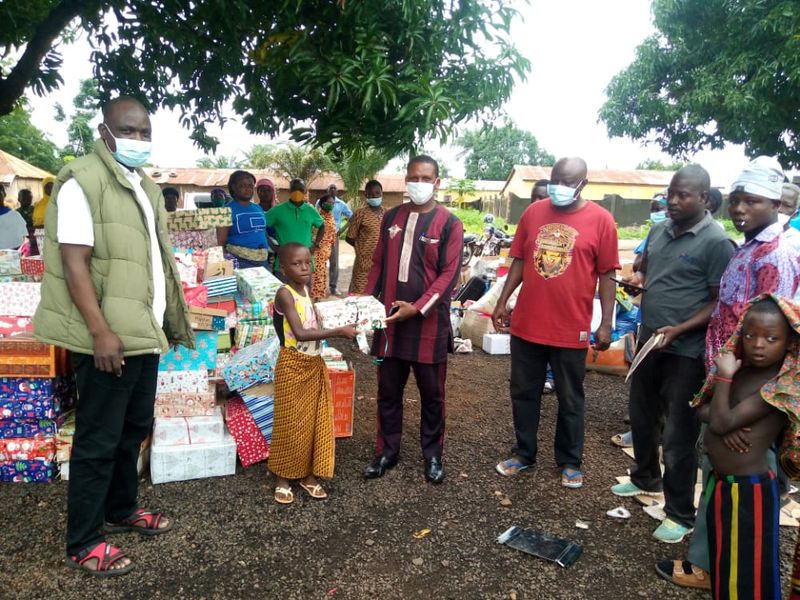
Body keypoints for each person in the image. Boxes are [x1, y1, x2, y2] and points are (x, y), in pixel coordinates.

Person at [32, 97, 193, 577]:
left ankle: (120, 508)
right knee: (98, 439)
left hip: (142, 333)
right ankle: (83, 540)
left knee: (132, 429)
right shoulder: (83, 181)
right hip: (107, 339)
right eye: (129, 131)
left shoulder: (142, 184)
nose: (139, 140)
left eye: (145, 132)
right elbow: (73, 261)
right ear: (104, 131)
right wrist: (100, 332)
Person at [656, 156, 800, 588]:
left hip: (746, 388)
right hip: (724, 379)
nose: (740, 210)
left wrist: (745, 406)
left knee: (743, 477)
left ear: (775, 203)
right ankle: (716, 561)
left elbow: (775, 336)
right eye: (736, 200)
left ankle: (717, 568)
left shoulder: (779, 253)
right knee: (717, 467)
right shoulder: (748, 248)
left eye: (752, 202)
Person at [611, 165, 735, 543]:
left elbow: (718, 303)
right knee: (642, 415)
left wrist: (679, 329)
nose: (675, 201)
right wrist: (638, 283)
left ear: (704, 199)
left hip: (685, 350)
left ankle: (679, 512)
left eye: (684, 195)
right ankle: (644, 477)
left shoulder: (716, 242)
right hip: (650, 340)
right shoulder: (659, 230)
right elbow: (650, 274)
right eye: (672, 193)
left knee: (680, 433)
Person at [493, 157, 619, 489]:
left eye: (567, 182)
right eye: (555, 180)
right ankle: (523, 453)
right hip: (528, 324)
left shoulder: (602, 221)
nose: (559, 187)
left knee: (570, 396)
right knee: (523, 391)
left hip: (570, 327)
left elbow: (607, 275)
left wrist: (605, 322)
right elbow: (519, 260)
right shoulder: (533, 213)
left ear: (583, 185)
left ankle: (569, 460)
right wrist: (503, 300)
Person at [363, 155, 463, 484]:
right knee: (388, 391)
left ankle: (432, 454)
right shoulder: (391, 216)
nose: (418, 183)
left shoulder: (449, 223)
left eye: (426, 177)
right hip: (390, 321)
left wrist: (419, 307)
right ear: (406, 180)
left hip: (428, 324)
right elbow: (377, 264)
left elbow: (449, 275)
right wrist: (364, 303)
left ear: (437, 182)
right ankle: (386, 452)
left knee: (432, 395)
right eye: (413, 177)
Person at [694, 295, 800, 600]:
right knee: (725, 565)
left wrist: (725, 377)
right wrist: (723, 423)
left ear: (789, 341)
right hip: (723, 483)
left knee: (748, 576)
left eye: (771, 338)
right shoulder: (746, 371)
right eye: (751, 334)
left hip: (749, 491)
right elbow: (704, 409)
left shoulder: (778, 384)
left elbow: (719, 419)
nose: (758, 344)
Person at [269, 242, 356, 504]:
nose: (304, 267)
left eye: (307, 262)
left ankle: (308, 475)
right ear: (283, 267)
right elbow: (300, 333)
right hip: (293, 365)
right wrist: (339, 332)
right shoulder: (284, 294)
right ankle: (283, 477)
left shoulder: (306, 290)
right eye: (296, 263)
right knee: (289, 421)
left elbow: (315, 322)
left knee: (312, 421)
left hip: (313, 363)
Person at [266, 178, 325, 275]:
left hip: (305, 262)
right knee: (284, 289)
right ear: (289, 191)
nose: (297, 192)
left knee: (305, 290)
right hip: (284, 263)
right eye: (294, 189)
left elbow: (322, 226)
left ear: (305, 191)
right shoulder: (278, 210)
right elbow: (260, 226)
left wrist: (315, 244)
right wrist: (272, 246)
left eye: (300, 190)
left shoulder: (310, 210)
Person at [216, 170, 269, 269]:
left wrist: (274, 249)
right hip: (240, 262)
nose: (247, 189)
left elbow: (262, 232)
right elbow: (220, 242)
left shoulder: (258, 208)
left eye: (250, 186)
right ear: (233, 187)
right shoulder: (225, 211)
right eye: (242, 185)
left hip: (263, 261)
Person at [346, 179, 386, 295]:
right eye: (370, 194)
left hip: (382, 263)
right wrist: (362, 251)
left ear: (382, 193)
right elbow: (350, 237)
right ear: (366, 195)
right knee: (360, 295)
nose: (374, 196)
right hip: (364, 264)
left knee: (379, 296)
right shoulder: (360, 213)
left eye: (377, 193)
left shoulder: (387, 213)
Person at [318, 183, 352, 296]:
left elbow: (351, 217)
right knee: (320, 262)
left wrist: (341, 231)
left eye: (334, 188)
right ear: (327, 190)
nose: (332, 189)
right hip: (321, 237)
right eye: (330, 188)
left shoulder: (341, 204)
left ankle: (333, 287)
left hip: (334, 237)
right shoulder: (320, 202)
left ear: (337, 191)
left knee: (334, 263)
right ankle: (320, 288)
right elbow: (315, 216)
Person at [311, 195, 337, 300]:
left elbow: (332, 232)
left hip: (327, 250)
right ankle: (315, 296)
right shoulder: (318, 216)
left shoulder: (330, 216)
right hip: (318, 250)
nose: (331, 205)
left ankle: (319, 295)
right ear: (322, 204)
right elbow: (313, 232)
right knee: (317, 273)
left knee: (322, 273)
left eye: (332, 203)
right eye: (329, 202)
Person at [0, 184, 28, 249]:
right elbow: (23, 239)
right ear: (4, 195)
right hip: (13, 254)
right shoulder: (15, 215)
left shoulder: (15, 215)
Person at [17, 189, 37, 254]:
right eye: (24, 198)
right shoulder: (17, 212)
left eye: (29, 198)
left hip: (35, 236)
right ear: (19, 199)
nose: (28, 200)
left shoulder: (35, 209)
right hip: (23, 237)